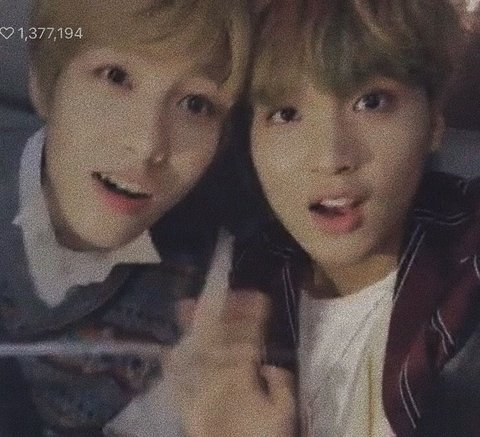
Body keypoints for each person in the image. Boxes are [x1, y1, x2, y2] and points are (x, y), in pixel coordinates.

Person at [167, 0, 480, 436]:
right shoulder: (235, 285)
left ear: (433, 121)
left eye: (371, 102)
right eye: (287, 114)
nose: (331, 157)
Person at [0, 0, 251, 435]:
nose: (148, 144)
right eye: (115, 77)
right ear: (44, 85)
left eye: (195, 104)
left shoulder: (215, 286)